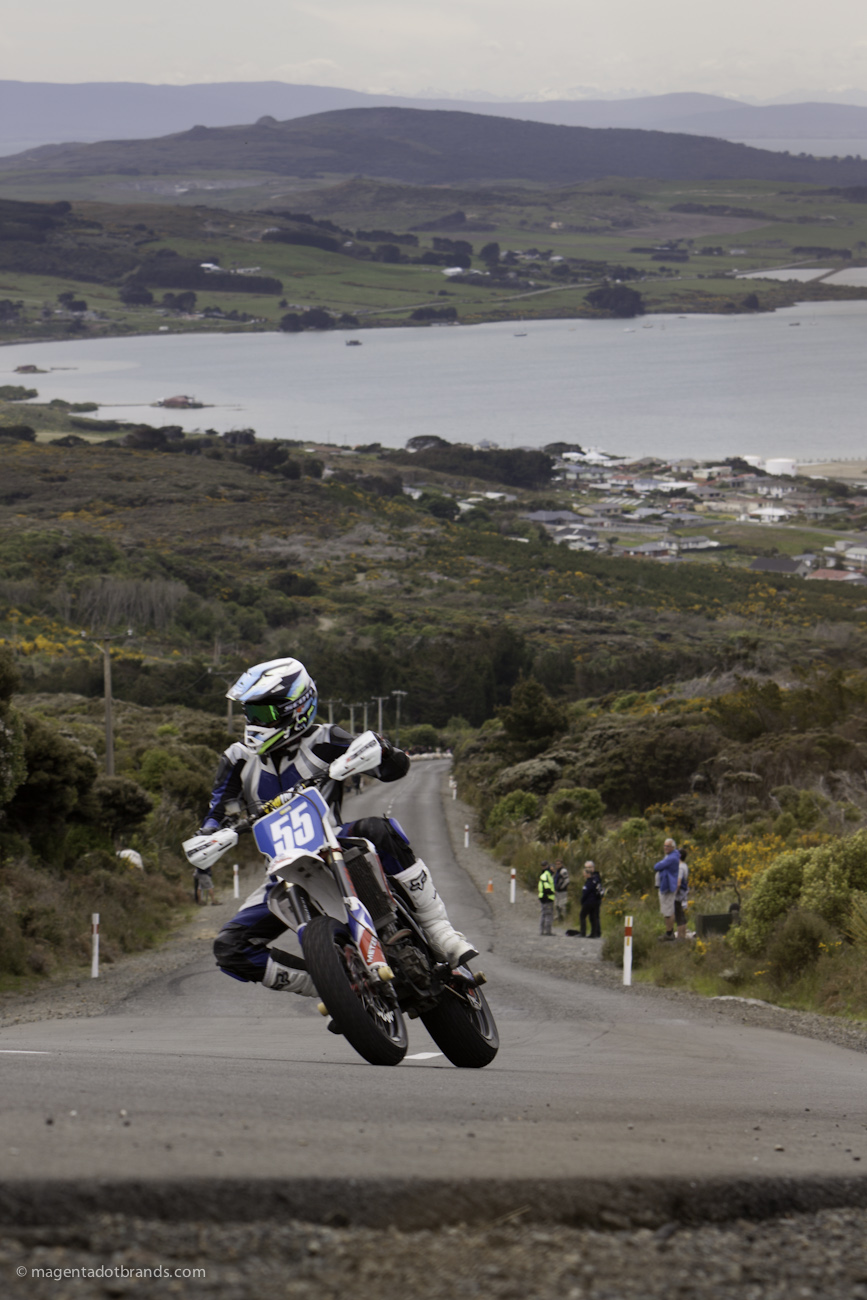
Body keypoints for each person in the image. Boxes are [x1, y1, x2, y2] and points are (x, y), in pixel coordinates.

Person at [207, 657, 477, 998]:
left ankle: (439, 930)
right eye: (250, 712)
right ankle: (332, 986)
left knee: (379, 830)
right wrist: (209, 834)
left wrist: (381, 751)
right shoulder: (237, 759)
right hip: (282, 870)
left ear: (296, 707)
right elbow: (218, 808)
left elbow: (390, 768)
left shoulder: (324, 739)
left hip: (334, 842)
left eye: (263, 714)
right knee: (230, 947)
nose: (253, 722)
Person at [654, 837, 681, 941]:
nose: (665, 848)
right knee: (667, 910)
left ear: (673, 847)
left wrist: (661, 865)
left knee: (668, 911)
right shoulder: (670, 856)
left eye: (668, 846)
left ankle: (669, 933)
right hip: (666, 886)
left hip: (668, 887)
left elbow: (657, 866)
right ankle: (669, 932)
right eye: (664, 846)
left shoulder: (672, 857)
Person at [579, 861, 604, 938]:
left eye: (589, 868)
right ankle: (594, 933)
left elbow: (587, 891)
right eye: (586, 868)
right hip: (594, 900)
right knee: (593, 917)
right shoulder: (591, 879)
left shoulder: (594, 878)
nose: (588, 869)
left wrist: (582, 900)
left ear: (593, 868)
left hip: (592, 901)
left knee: (591, 916)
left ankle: (595, 932)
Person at [675, 845, 689, 940]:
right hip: (683, 893)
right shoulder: (685, 866)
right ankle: (682, 935)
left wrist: (673, 893)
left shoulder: (680, 867)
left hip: (678, 894)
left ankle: (681, 937)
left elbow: (678, 883)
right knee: (680, 914)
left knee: (679, 915)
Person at [538, 861, 555, 936]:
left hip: (543, 897)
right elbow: (546, 887)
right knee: (548, 914)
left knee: (544, 914)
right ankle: (547, 931)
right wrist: (552, 892)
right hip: (547, 897)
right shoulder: (547, 875)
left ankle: (542, 931)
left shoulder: (545, 874)